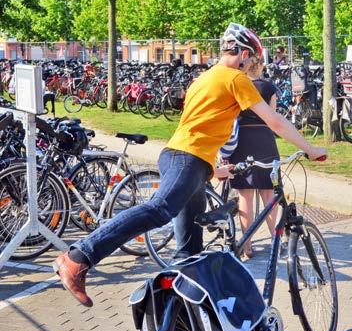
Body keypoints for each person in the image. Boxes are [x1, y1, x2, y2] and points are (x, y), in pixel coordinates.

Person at [54, 23, 327, 308]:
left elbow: (200, 125)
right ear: (243, 53)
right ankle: (79, 257)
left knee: (188, 256)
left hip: (187, 159)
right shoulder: (235, 78)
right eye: (253, 59)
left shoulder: (203, 78)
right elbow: (274, 120)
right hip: (189, 158)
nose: (252, 66)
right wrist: (310, 148)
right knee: (159, 209)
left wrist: (211, 168)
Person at [227, 54, 280, 258]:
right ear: (261, 67)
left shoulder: (238, 87)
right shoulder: (268, 88)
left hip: (243, 140)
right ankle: (275, 238)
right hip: (265, 140)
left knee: (245, 195)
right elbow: (273, 116)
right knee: (268, 193)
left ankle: (246, 244)